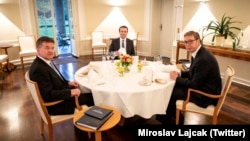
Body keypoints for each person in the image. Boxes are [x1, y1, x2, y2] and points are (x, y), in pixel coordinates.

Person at [156, 31, 222, 124]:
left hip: (204, 95)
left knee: (172, 91)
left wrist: (177, 78)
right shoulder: (198, 52)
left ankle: (168, 118)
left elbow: (194, 84)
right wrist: (180, 74)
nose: (187, 45)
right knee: (173, 86)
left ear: (198, 41)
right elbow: (193, 72)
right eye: (186, 42)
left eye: (190, 41)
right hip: (203, 87)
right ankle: (171, 115)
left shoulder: (204, 59)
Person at [29, 36, 94, 115]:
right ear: (38, 50)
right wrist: (70, 92)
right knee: (93, 96)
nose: (51, 51)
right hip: (59, 104)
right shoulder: (38, 69)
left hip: (62, 92)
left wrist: (68, 83)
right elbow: (47, 95)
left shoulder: (46, 61)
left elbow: (55, 79)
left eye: (52, 48)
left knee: (88, 89)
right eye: (47, 48)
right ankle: (94, 121)